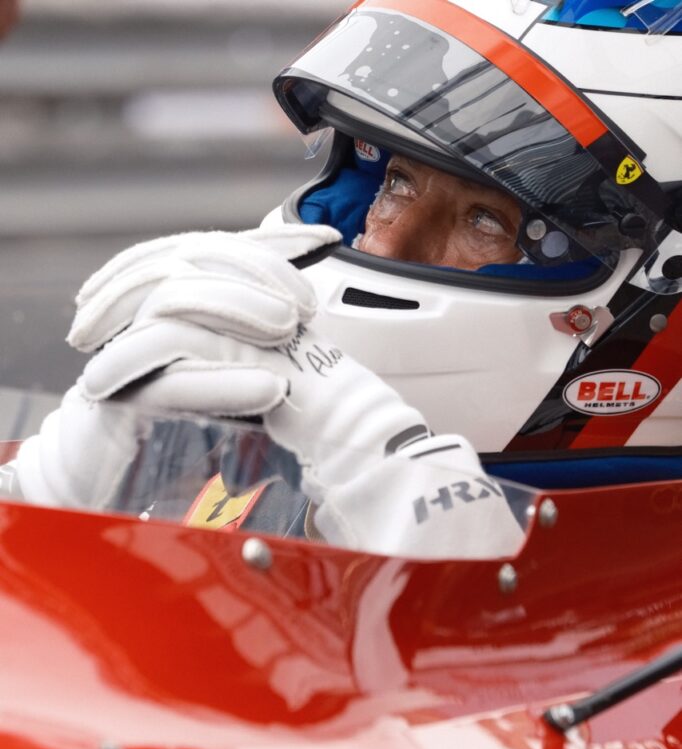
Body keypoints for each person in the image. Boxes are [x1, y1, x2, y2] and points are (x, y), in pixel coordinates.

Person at [5, 0, 682, 558]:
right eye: (396, 180)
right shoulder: (273, 449)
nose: (384, 239)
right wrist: (46, 497)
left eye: (486, 219)